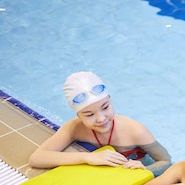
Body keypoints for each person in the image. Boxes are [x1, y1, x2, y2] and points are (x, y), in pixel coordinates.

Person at [28, 71, 172, 176]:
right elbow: (37, 158)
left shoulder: (135, 131)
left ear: (110, 100)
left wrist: (145, 170)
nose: (101, 118)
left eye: (105, 107)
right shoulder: (74, 128)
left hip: (139, 169)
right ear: (78, 114)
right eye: (89, 114)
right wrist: (88, 157)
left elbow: (166, 161)